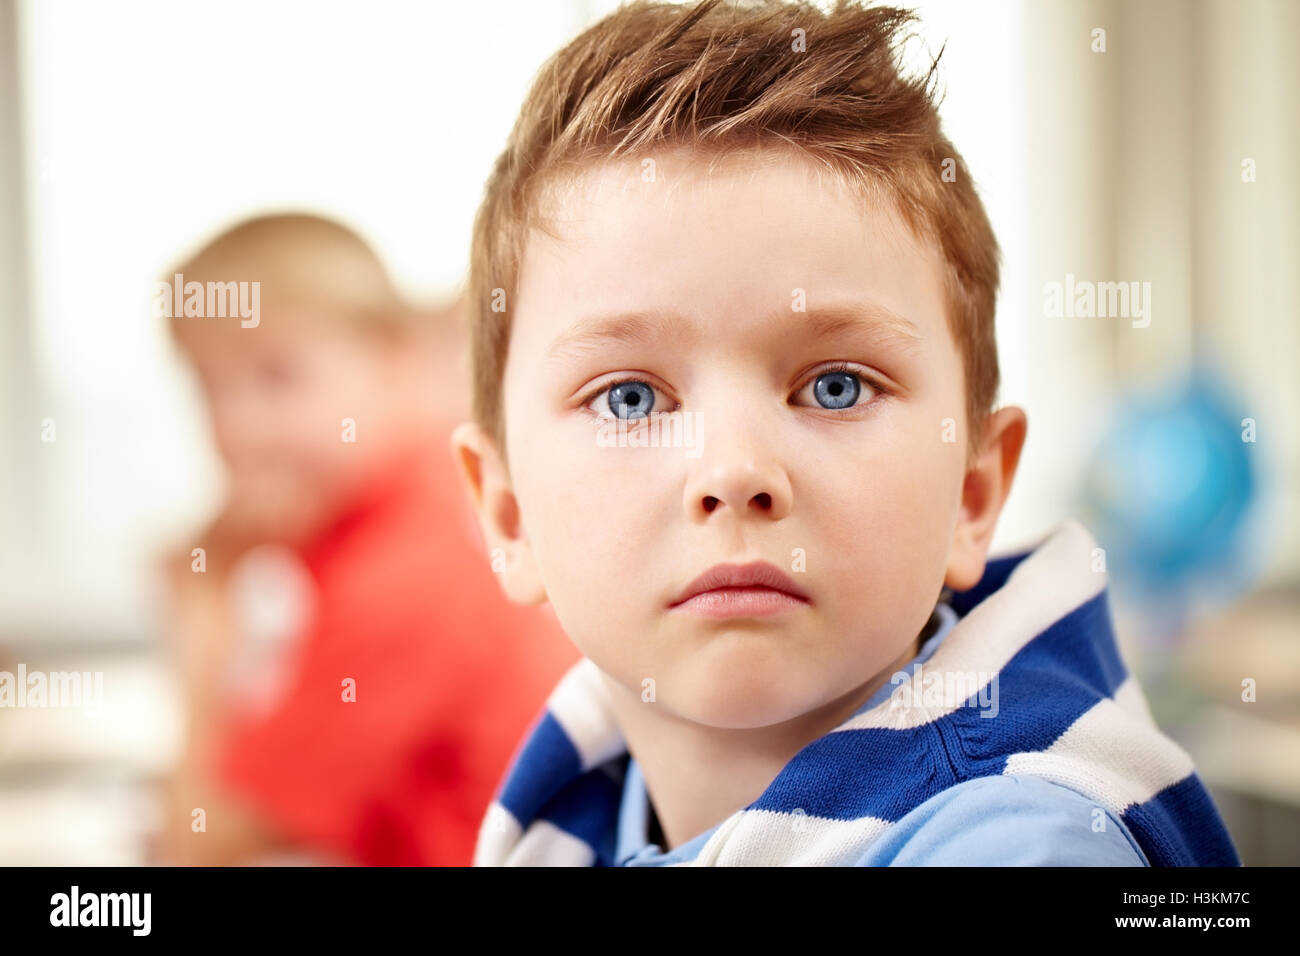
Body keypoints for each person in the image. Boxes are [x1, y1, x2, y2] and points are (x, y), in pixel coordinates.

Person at [450, 0, 1240, 865]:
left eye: (834, 387)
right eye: (631, 399)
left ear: (971, 495)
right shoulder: (576, 805)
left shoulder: (1026, 837)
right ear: (508, 514)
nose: (734, 471)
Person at [153, 212, 578, 866]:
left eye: (276, 377)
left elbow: (197, 845)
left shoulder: (400, 576)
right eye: (210, 389)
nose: (235, 428)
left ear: (393, 357)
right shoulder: (407, 518)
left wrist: (204, 631)